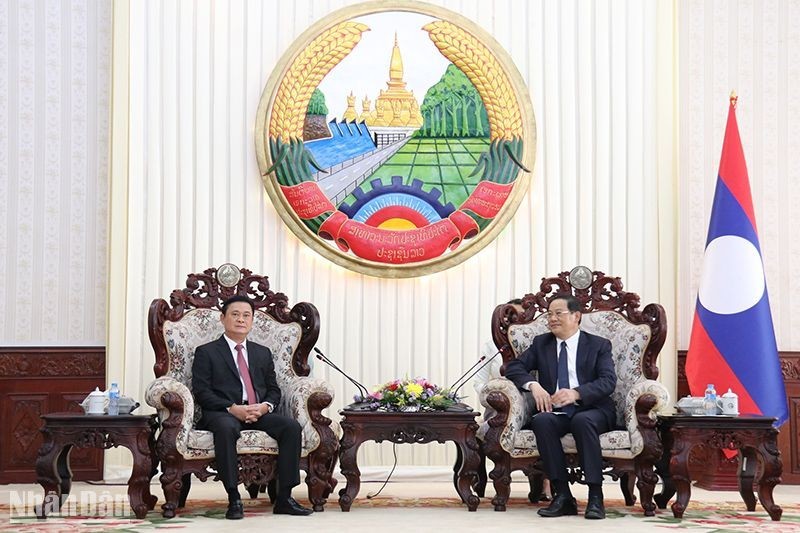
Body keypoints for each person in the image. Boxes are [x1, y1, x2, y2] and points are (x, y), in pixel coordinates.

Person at [192, 295, 313, 519]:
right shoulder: (206, 352)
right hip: (222, 412)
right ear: (223, 318)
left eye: (246, 315)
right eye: (235, 314)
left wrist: (265, 407)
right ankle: (234, 498)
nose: (241, 319)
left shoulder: (262, 352)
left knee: (290, 427)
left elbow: (273, 389)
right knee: (227, 428)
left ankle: (284, 497)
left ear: (252, 320)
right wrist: (232, 407)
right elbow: (202, 392)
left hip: (257, 411)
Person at [504, 293, 616, 520]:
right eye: (549, 314)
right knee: (542, 421)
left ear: (576, 316)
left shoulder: (598, 345)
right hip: (558, 411)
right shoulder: (541, 343)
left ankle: (596, 496)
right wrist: (533, 385)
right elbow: (513, 367)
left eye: (558, 313)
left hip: (592, 409)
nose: (552, 319)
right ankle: (562, 496)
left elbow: (608, 382)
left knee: (582, 421)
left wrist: (576, 393)